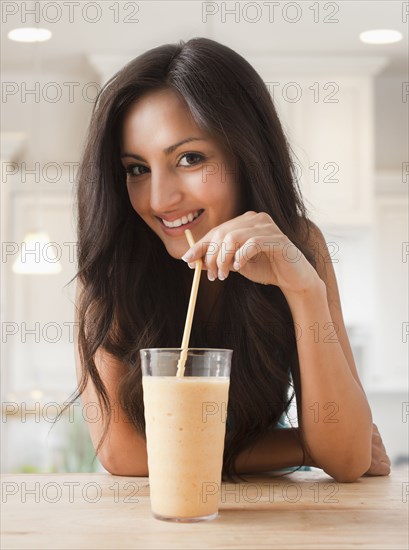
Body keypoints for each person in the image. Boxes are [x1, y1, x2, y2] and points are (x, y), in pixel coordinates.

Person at [71, 37, 390, 482]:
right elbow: (125, 457)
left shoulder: (299, 244)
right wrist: (299, 445)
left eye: (189, 158)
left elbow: (348, 457)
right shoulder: (113, 268)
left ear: (247, 155)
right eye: (136, 169)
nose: (159, 199)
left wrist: (304, 290)